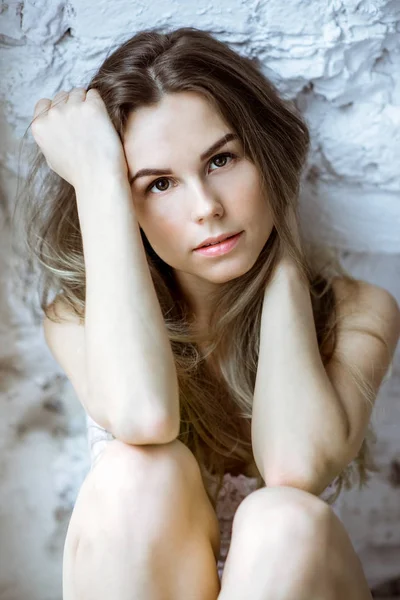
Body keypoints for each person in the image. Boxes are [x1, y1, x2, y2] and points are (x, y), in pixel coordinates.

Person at [15, 26, 399, 600]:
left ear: (266, 155)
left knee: (285, 521)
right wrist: (97, 177)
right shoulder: (77, 318)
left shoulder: (357, 309)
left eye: (221, 159)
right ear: (126, 203)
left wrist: (285, 263)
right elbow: (144, 417)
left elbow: (295, 466)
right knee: (139, 473)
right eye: (160, 183)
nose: (207, 208)